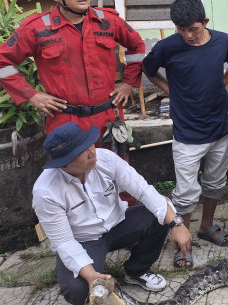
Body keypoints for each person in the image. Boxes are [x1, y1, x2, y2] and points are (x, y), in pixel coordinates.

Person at [32, 122, 191, 305]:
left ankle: (136, 270)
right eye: (81, 152)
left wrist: (177, 224)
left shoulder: (106, 159)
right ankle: (86, 274)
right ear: (64, 163)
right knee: (77, 290)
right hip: (84, 240)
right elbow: (64, 241)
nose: (92, 152)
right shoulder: (45, 191)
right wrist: (91, 275)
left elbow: (143, 190)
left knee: (158, 216)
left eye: (89, 144)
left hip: (118, 223)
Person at [143, 0, 228, 267]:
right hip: (187, 133)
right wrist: (170, 90)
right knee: (185, 192)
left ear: (205, 22)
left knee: (215, 182)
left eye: (193, 29)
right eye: (181, 29)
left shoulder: (223, 41)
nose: (187, 35)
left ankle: (206, 227)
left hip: (221, 127)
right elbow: (148, 69)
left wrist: (222, 83)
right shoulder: (167, 47)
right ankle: (181, 240)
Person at [0, 0, 146, 136]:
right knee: (71, 165)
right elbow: (2, 62)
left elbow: (137, 48)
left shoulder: (108, 21)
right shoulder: (36, 28)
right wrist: (31, 95)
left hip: (108, 119)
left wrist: (128, 83)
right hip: (65, 122)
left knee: (114, 164)